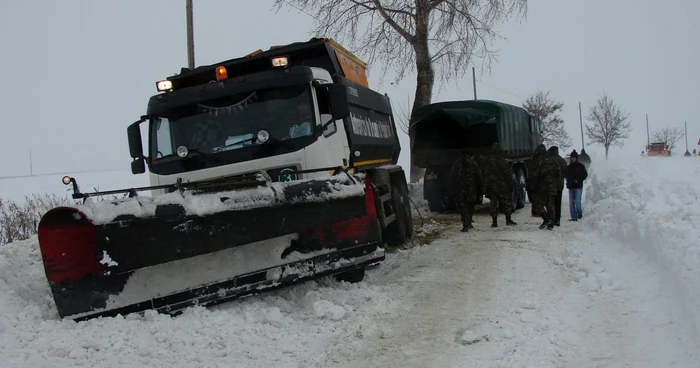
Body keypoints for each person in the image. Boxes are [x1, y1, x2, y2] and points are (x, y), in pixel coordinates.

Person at [482, 143, 517, 227]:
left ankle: (494, 222)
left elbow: (483, 174)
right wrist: (511, 185)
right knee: (506, 202)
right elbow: (508, 175)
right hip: (502, 186)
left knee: (493, 203)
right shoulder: (503, 161)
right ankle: (508, 219)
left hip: (491, 186)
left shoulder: (486, 161)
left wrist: (485, 185)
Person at [450, 151, 484, 232]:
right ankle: (468, 221)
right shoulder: (473, 164)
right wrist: (481, 187)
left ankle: (465, 223)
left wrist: (452, 188)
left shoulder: (457, 164)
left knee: (463, 206)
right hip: (471, 189)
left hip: (460, 189)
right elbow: (479, 176)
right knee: (470, 206)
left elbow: (452, 177)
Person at [530, 144, 559, 230]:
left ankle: (546, 219)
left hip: (541, 187)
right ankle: (551, 222)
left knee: (538, 205)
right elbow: (558, 173)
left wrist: (534, 186)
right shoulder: (553, 160)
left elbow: (534, 175)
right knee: (550, 205)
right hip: (552, 186)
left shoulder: (538, 161)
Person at [548, 146, 568, 226]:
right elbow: (566, 172)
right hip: (560, 185)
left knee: (551, 203)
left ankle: (552, 218)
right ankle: (557, 219)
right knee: (558, 203)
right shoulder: (562, 160)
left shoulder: (550, 160)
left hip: (551, 185)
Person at [566, 150, 588, 221]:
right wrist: (569, 181)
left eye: (574, 157)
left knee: (577, 201)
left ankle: (579, 212)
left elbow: (585, 175)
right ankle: (573, 217)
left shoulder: (581, 166)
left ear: (576, 158)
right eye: (571, 157)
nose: (572, 158)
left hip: (578, 186)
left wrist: (579, 179)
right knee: (571, 202)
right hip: (571, 186)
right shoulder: (569, 167)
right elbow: (566, 175)